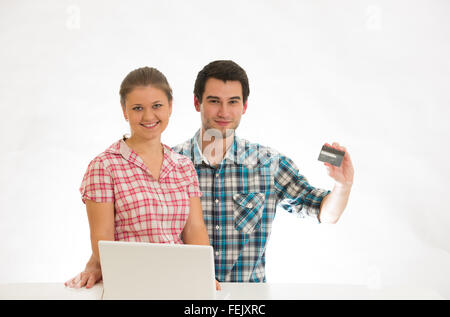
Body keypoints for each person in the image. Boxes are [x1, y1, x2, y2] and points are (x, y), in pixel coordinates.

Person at [69, 60, 354, 286]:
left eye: (233, 102)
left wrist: (342, 187)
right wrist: (99, 260)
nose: (224, 111)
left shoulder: (268, 164)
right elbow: (136, 229)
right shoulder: (173, 163)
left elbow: (323, 213)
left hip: (245, 299)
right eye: (214, 100)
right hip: (178, 293)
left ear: (244, 106)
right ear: (197, 103)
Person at [65, 66, 220, 289]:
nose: (148, 116)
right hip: (130, 283)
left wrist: (204, 275)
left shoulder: (183, 166)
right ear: (124, 110)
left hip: (180, 282)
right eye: (138, 108)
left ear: (170, 107)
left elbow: (194, 229)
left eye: (157, 106)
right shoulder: (104, 166)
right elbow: (102, 241)